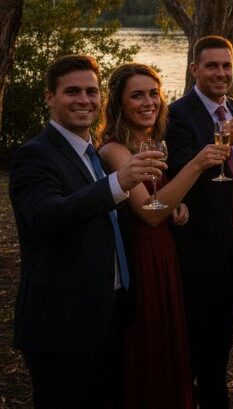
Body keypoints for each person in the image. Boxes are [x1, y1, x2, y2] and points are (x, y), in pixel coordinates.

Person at [9, 55, 165, 408]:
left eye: (92, 91)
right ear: (50, 97)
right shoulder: (34, 155)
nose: (84, 100)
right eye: (72, 91)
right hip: (63, 324)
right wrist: (117, 184)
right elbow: (47, 216)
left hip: (108, 316)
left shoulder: (90, 152)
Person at [97, 63, 230, 409]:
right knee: (148, 345)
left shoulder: (154, 142)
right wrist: (197, 165)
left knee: (174, 344)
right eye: (137, 95)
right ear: (119, 104)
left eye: (153, 93)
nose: (148, 102)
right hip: (139, 259)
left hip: (167, 254)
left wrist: (176, 207)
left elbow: (162, 199)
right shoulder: (115, 150)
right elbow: (149, 213)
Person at [165, 35, 233, 408]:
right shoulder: (177, 114)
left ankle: (216, 397)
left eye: (226, 66)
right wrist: (222, 139)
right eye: (212, 66)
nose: (221, 73)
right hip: (198, 244)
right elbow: (180, 171)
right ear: (195, 69)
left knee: (223, 336)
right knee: (193, 337)